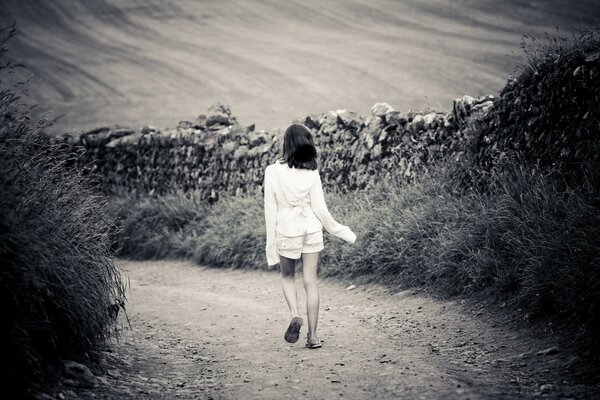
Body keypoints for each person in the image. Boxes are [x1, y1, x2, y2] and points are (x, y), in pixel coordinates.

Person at [264, 123, 356, 349]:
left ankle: (295, 314)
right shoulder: (312, 173)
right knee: (311, 282)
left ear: (286, 143)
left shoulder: (272, 171)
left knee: (287, 276)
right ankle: (313, 336)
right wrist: (340, 231)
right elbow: (320, 209)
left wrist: (271, 244)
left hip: (287, 230)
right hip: (312, 229)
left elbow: (270, 210)